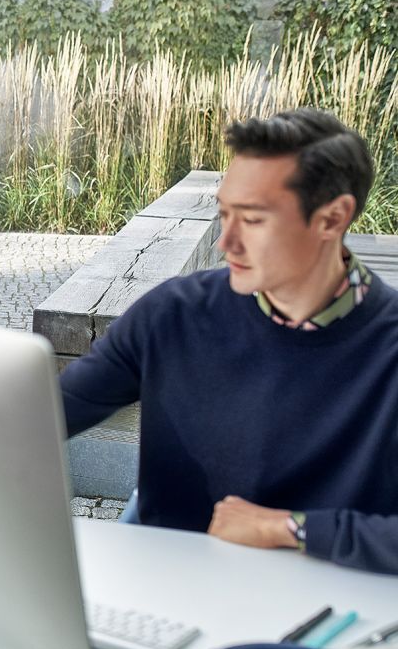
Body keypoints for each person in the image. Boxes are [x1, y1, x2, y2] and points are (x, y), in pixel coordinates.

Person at [59, 107, 398, 575]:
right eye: (224, 214)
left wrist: (291, 528)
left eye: (254, 221)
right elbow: (47, 414)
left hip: (330, 608)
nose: (226, 243)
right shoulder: (172, 315)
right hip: (169, 589)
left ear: (331, 219)